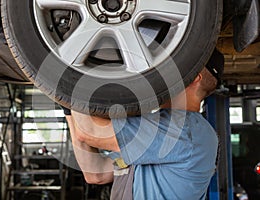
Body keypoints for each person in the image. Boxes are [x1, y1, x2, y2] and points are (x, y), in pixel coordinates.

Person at [64, 48, 224, 199]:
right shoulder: (173, 131)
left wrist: (69, 80)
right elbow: (96, 173)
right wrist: (68, 108)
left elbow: (90, 131)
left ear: (194, 77)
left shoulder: (182, 130)